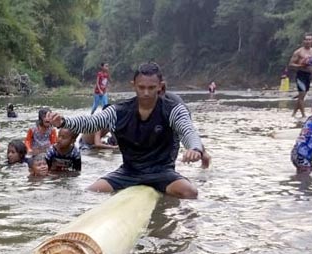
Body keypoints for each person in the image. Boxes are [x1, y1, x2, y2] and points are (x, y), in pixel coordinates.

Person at [47, 62, 206, 199]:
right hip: (129, 172)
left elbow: (188, 131)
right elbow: (91, 122)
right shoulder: (119, 111)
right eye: (141, 87)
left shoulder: (174, 109)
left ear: (160, 87)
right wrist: (63, 122)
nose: (146, 93)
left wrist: (194, 148)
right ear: (133, 86)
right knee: (91, 193)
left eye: (151, 88)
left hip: (162, 172)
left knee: (190, 192)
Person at [289, 32, 312, 118]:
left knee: (302, 95)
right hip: (301, 74)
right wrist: (300, 65)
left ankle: (293, 114)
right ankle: (303, 115)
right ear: (303, 41)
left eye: (309, 39)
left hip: (309, 75)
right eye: (306, 39)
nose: (308, 41)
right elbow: (291, 64)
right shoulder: (298, 52)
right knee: (302, 95)